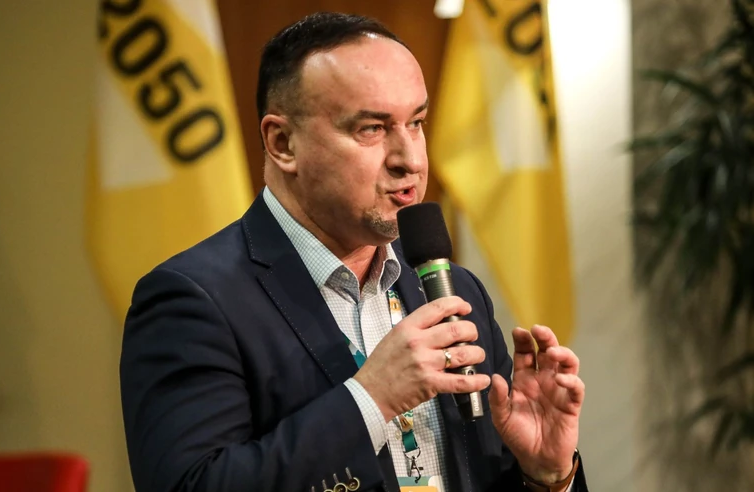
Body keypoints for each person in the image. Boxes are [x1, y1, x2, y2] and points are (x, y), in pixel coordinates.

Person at [120, 11, 587, 492]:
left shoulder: (454, 289)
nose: (410, 159)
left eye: (416, 122)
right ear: (282, 143)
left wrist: (546, 476)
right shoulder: (193, 299)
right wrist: (370, 399)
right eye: (372, 129)